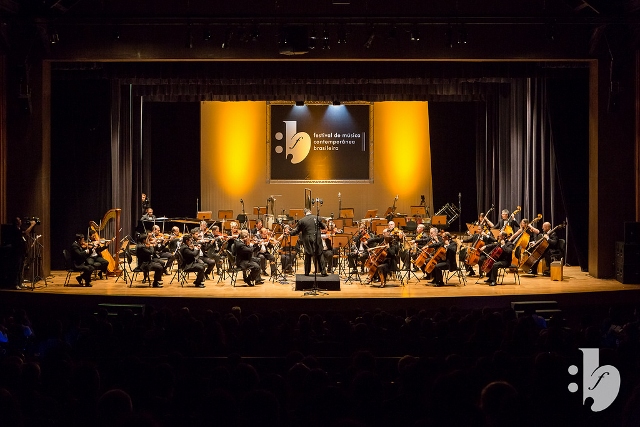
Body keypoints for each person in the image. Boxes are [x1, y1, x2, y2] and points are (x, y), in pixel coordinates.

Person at [287, 208, 327, 276]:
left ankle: (307, 273)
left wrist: (290, 233)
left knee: (308, 256)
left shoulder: (302, 220)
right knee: (320, 255)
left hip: (307, 240)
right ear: (310, 212)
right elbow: (323, 227)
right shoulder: (317, 218)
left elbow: (296, 231)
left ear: (304, 213)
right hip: (317, 239)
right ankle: (323, 272)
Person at [5, 217, 36, 289]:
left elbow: (25, 232)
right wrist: (32, 225)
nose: (21, 221)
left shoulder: (20, 228)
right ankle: (15, 284)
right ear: (16, 222)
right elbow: (25, 233)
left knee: (21, 268)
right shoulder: (15, 230)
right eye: (19, 220)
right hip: (16, 251)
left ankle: (20, 282)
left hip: (21, 251)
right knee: (16, 268)